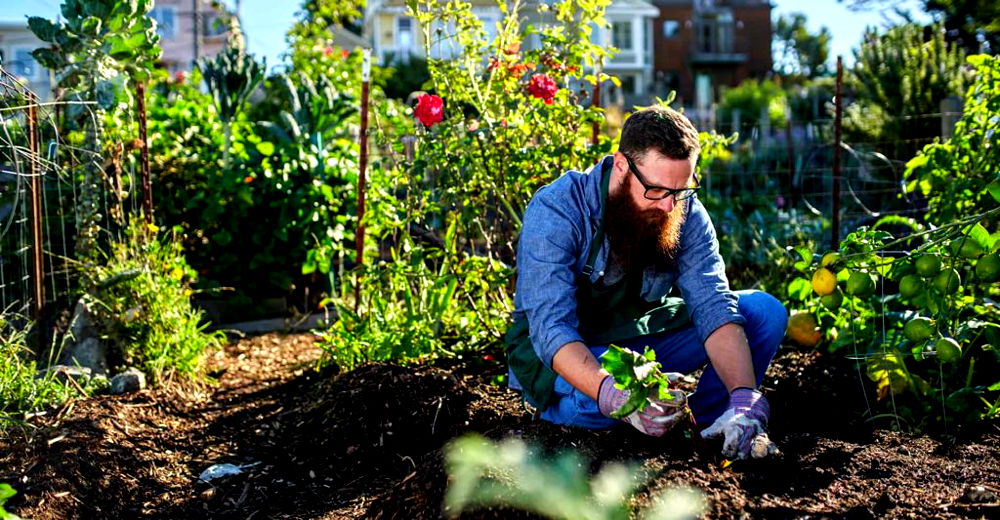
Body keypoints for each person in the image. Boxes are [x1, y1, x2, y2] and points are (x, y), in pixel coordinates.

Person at [505, 105, 787, 460]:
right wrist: (612, 393)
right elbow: (551, 329)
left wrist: (744, 396)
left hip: (636, 338)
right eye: (656, 190)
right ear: (621, 165)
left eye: (681, 190)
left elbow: (713, 303)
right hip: (567, 352)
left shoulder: (683, 209)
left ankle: (712, 424)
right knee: (607, 405)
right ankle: (561, 412)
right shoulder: (559, 210)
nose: (670, 206)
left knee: (763, 312)